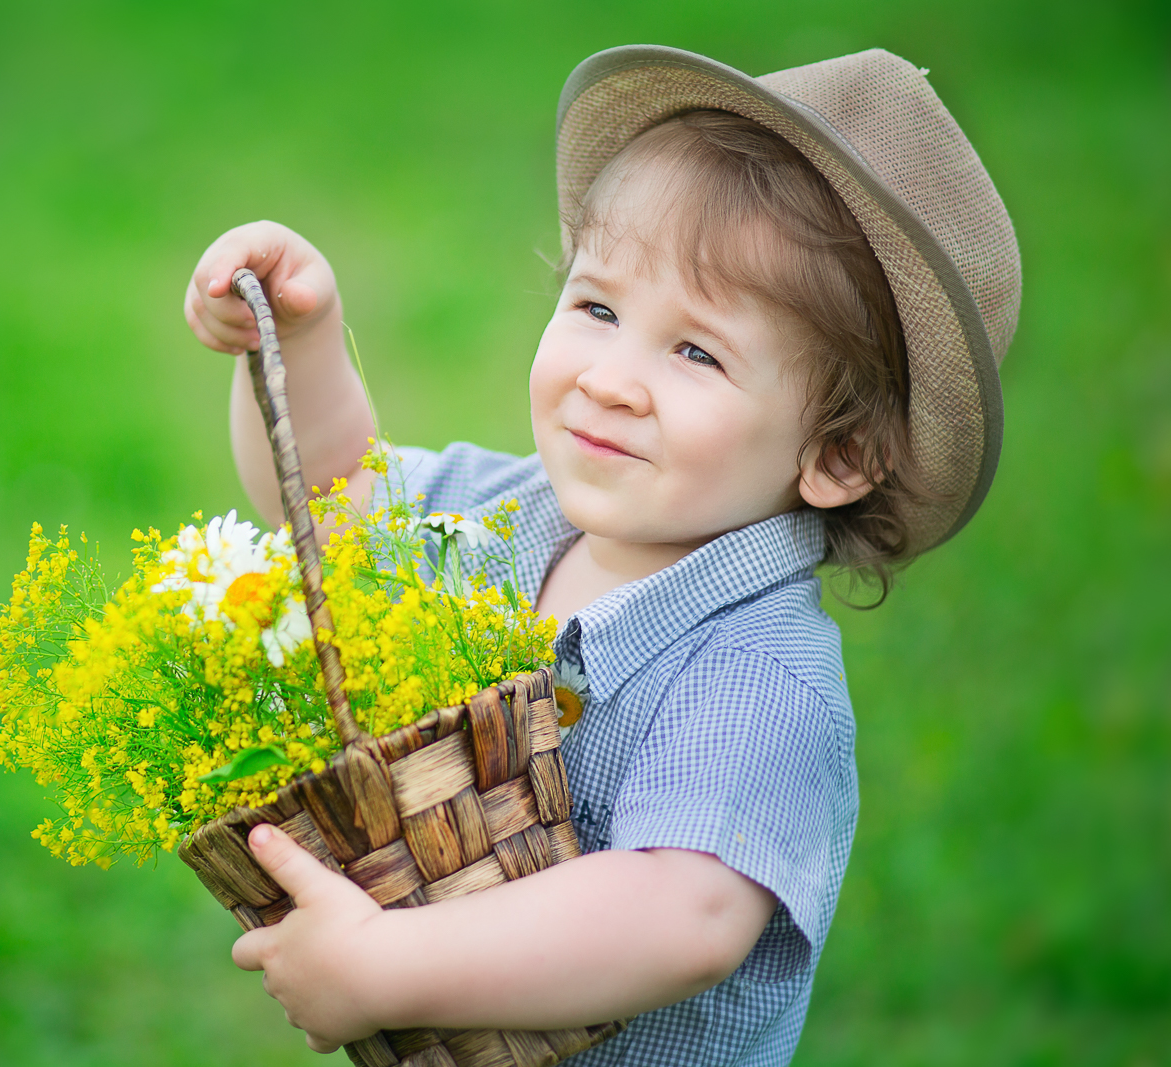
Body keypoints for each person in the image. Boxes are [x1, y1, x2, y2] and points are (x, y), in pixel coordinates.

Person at [180, 45, 1019, 1066]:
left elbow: (679, 912)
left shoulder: (755, 673)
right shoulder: (497, 516)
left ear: (838, 453)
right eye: (598, 309)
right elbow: (331, 501)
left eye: (696, 351)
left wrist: (387, 964)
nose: (613, 380)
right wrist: (300, 341)